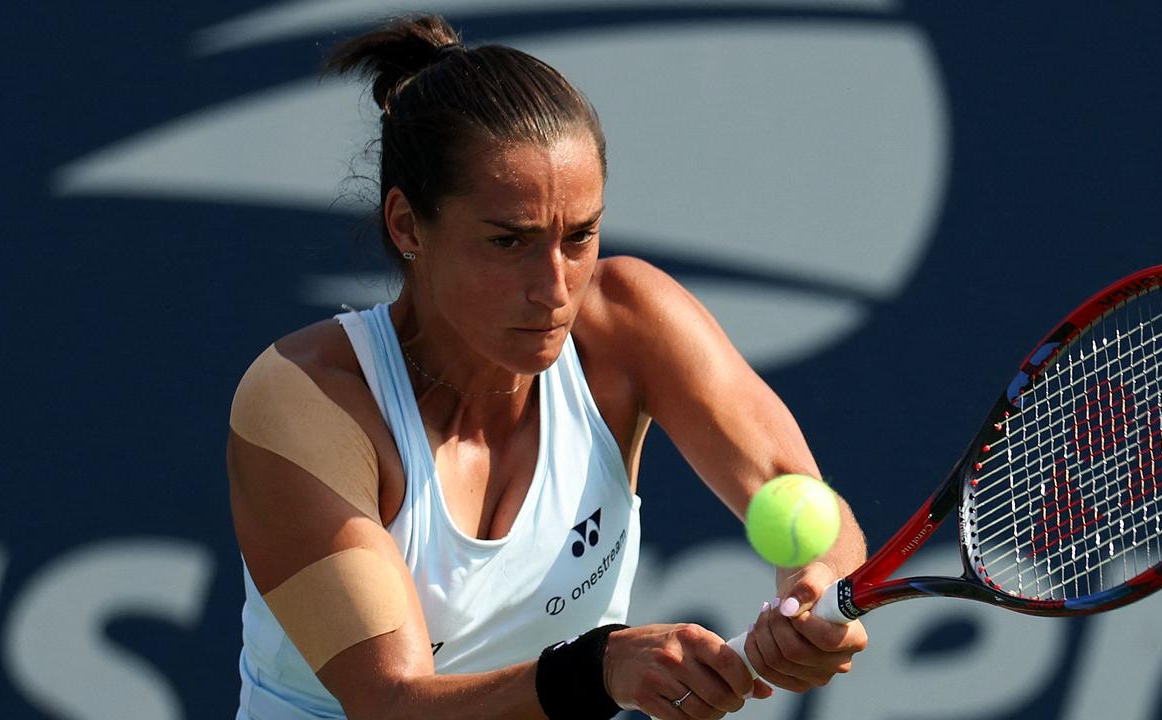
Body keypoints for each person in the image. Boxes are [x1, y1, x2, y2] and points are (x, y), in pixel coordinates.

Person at [227, 13, 868, 720]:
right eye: (510, 243)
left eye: (580, 236)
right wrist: (598, 669)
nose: (555, 288)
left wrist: (815, 586)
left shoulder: (627, 322)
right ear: (408, 225)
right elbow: (390, 703)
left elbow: (796, 492)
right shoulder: (308, 402)